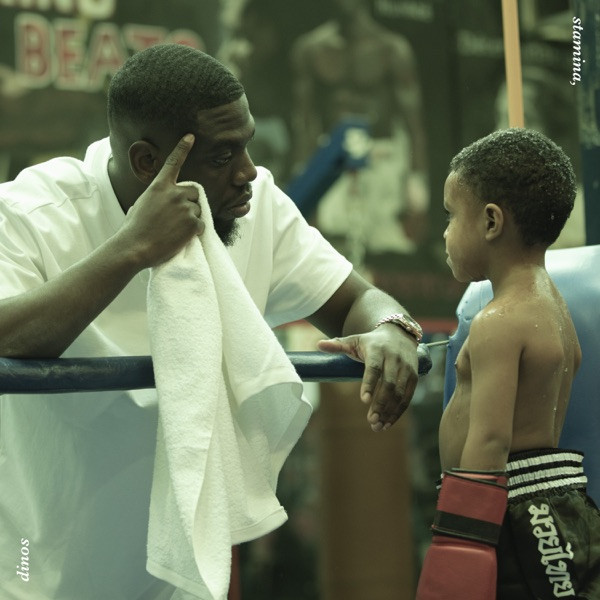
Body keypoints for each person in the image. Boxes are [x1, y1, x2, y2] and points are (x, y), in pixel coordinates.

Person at [0, 43, 421, 600]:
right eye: (223, 156)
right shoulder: (30, 213)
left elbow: (356, 299)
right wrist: (132, 248)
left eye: (246, 145)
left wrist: (391, 326)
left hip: (177, 573)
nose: (248, 172)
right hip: (34, 565)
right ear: (148, 163)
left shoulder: (255, 203)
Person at [416, 128, 600, 599]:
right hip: (548, 509)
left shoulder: (498, 321)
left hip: (511, 516)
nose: (445, 232)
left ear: (491, 222)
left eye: (451, 215)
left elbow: (491, 440)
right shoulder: (554, 308)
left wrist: (460, 546)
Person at [291, 0, 429, 263]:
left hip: (382, 156)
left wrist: (417, 178)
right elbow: (304, 118)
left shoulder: (391, 49)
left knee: (387, 250)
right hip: (333, 156)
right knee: (331, 248)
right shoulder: (312, 49)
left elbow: (413, 120)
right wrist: (304, 173)